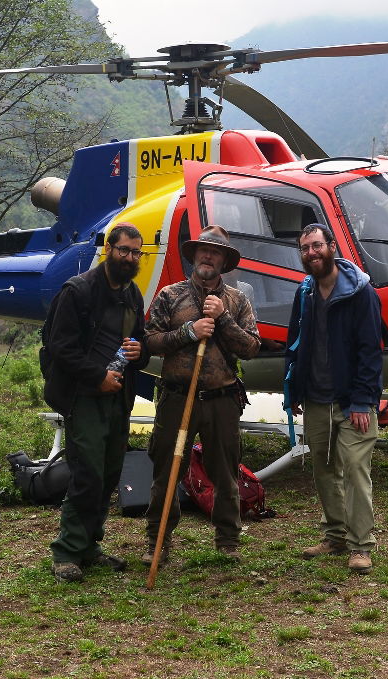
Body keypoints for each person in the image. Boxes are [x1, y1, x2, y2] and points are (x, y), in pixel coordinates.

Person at [143, 225, 261, 563]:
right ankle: (158, 541)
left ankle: (227, 542)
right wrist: (187, 332)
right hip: (177, 399)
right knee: (167, 472)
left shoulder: (237, 301)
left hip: (222, 400)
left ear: (224, 261)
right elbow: (150, 341)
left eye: (216, 252)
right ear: (194, 256)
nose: (208, 256)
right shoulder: (169, 295)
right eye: (203, 250)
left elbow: (252, 348)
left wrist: (223, 320)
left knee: (225, 473)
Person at [43, 222, 150, 583]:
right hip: (84, 397)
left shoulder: (132, 295)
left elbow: (141, 341)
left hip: (119, 396)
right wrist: (97, 376)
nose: (130, 258)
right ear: (108, 250)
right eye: (124, 251)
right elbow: (61, 348)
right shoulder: (78, 291)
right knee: (87, 472)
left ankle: (90, 546)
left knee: (108, 473)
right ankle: (67, 552)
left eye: (136, 252)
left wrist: (140, 350)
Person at [284, 223, 383, 574]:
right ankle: (336, 535)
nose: (311, 253)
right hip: (316, 398)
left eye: (316, 245)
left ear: (331, 246)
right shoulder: (306, 293)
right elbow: (295, 344)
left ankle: (361, 545)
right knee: (324, 469)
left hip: (351, 401)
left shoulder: (360, 292)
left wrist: (361, 401)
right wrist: (294, 391)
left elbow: (371, 351)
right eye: (305, 248)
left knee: (356, 469)